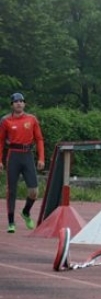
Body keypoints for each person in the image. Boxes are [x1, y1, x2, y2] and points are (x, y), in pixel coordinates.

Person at [0, 92, 46, 233]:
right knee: (11, 190)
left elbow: (39, 139)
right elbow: (1, 141)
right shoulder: (6, 121)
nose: (19, 103)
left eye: (21, 101)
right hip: (13, 156)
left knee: (34, 191)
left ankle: (26, 212)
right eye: (16, 101)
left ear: (24, 104)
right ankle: (11, 222)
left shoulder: (32, 119)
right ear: (12, 105)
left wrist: (41, 158)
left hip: (27, 156)